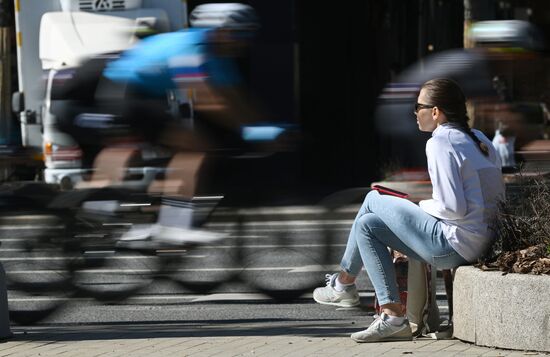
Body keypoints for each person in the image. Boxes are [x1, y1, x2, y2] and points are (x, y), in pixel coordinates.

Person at [313, 78, 505, 343]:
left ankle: (343, 284)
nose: (415, 113)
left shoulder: (441, 142)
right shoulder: (480, 139)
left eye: (418, 106)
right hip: (484, 242)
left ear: (436, 112)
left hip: (455, 245)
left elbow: (452, 208)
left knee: (372, 198)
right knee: (368, 225)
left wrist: (417, 205)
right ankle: (392, 318)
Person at [56, 3, 263, 244]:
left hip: (131, 96)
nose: (245, 40)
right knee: (196, 146)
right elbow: (207, 98)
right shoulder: (191, 47)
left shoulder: (218, 56)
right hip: (127, 94)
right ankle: (173, 224)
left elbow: (235, 98)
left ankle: (94, 214)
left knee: (133, 154)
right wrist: (250, 129)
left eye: (249, 33)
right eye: (240, 33)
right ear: (220, 30)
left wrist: (265, 125)